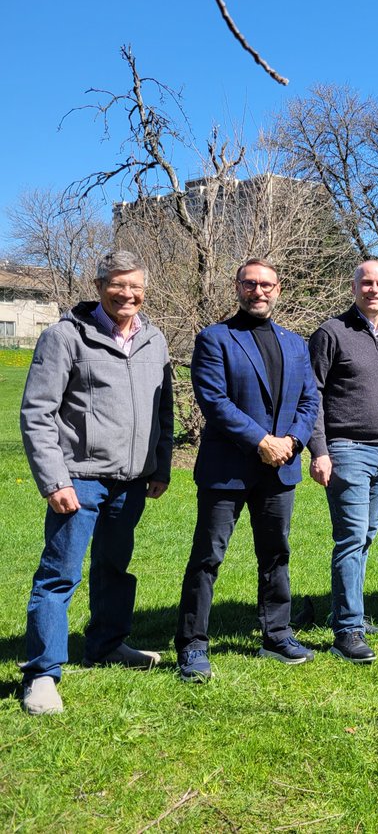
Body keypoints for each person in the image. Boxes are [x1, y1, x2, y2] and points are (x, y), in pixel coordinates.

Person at [18, 251, 173, 715]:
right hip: (79, 478)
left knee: (115, 568)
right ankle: (42, 674)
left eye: (136, 287)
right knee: (59, 574)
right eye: (118, 285)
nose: (128, 295)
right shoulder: (64, 336)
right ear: (100, 284)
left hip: (131, 482)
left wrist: (160, 465)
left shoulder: (154, 338)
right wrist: (54, 480)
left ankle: (107, 645)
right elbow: (37, 413)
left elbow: (162, 410)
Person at [175, 258, 320, 682]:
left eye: (267, 285)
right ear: (237, 288)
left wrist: (291, 442)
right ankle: (192, 646)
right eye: (250, 284)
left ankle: (276, 635)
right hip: (229, 470)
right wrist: (262, 442)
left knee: (276, 555)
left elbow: (310, 401)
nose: (259, 291)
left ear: (278, 289)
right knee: (207, 557)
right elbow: (215, 402)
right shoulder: (215, 338)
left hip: (280, 469)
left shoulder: (295, 344)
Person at [307, 260, 378, 664]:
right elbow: (311, 393)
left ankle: (349, 613)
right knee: (350, 538)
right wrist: (319, 450)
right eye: (366, 283)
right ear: (353, 287)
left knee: (365, 537)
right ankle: (346, 631)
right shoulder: (332, 333)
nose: (373, 290)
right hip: (346, 448)